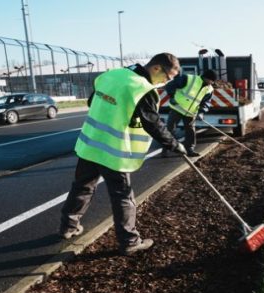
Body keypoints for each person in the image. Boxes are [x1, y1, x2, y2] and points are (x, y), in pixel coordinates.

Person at [59, 53, 187, 256]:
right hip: (113, 150)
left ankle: (68, 226)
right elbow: (153, 123)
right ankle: (130, 241)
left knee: (82, 186)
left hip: (90, 143)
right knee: (123, 196)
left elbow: (92, 102)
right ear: (156, 68)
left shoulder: (112, 75)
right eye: (168, 76)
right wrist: (174, 144)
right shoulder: (141, 89)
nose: (168, 81)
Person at [161, 69, 216, 157]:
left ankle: (189, 150)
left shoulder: (209, 89)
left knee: (190, 131)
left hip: (191, 112)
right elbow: (170, 85)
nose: (212, 83)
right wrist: (171, 96)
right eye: (211, 81)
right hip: (177, 108)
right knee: (170, 129)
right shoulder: (188, 78)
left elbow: (206, 102)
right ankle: (166, 149)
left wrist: (201, 112)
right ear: (206, 78)